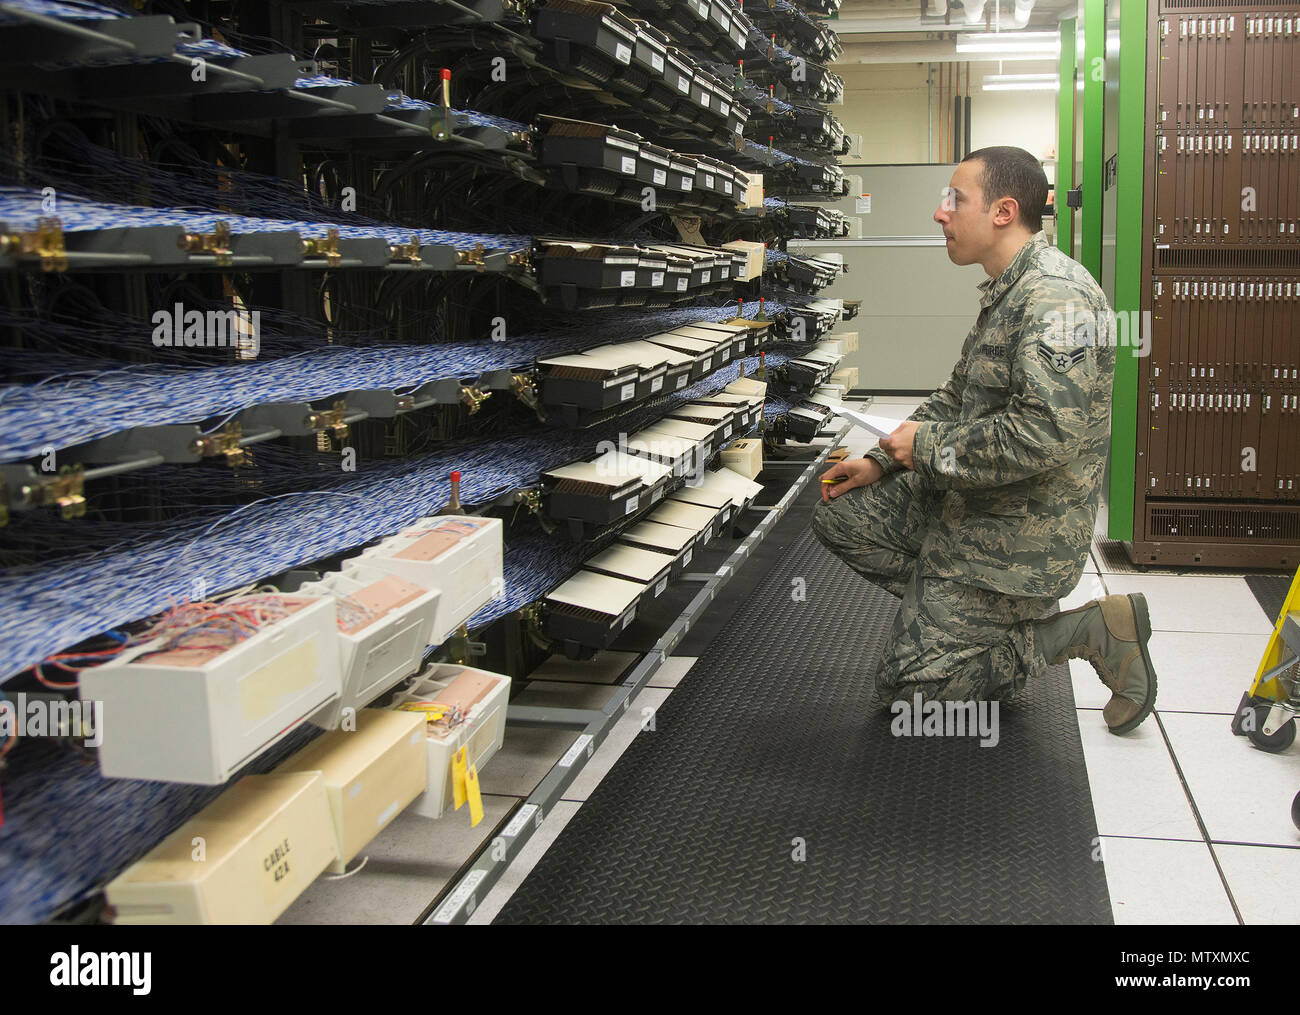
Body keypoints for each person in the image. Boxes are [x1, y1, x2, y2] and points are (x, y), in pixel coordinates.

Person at [810, 146, 1157, 735]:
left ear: (1003, 211)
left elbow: (1041, 436)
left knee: (912, 695)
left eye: (955, 200)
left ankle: (1083, 631)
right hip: (974, 500)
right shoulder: (1009, 289)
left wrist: (923, 449)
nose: (940, 214)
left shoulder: (1055, 299)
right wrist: (878, 460)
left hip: (1021, 536)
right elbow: (954, 398)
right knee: (842, 513)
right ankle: (954, 616)